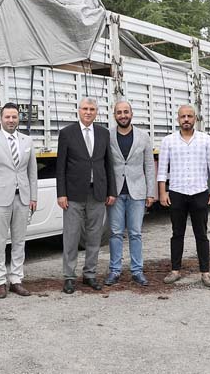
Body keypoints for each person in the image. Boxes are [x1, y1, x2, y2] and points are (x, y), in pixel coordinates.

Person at [56, 97, 116, 294]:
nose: (88, 112)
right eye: (85, 109)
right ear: (79, 111)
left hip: (97, 192)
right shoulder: (67, 133)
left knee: (94, 236)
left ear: (96, 112)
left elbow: (108, 163)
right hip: (73, 194)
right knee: (71, 236)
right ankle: (69, 276)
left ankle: (90, 274)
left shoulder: (103, 133)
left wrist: (111, 191)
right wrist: (61, 193)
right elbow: (60, 166)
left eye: (91, 109)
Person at [157, 104, 210, 287]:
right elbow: (162, 170)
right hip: (177, 193)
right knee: (177, 233)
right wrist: (162, 192)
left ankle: (205, 273)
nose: (186, 119)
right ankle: (175, 270)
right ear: (178, 119)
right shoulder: (168, 141)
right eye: (183, 116)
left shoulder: (206, 140)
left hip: (199, 192)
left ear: (195, 119)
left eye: (189, 116)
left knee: (201, 234)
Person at [0, 102, 38, 299]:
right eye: (7, 117)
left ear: (18, 118)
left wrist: (33, 197)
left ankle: (16, 280)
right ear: (1, 118)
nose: (11, 120)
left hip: (22, 198)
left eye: (14, 117)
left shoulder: (27, 141)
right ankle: (0, 281)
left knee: (19, 241)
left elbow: (32, 172)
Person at [105, 100, 156, 286]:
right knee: (115, 233)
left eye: (126, 112)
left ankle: (137, 271)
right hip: (115, 192)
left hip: (137, 192)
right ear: (114, 115)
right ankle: (114, 270)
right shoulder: (108, 136)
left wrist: (151, 192)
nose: (123, 115)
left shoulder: (143, 136)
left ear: (131, 114)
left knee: (135, 233)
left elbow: (149, 165)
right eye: (119, 112)